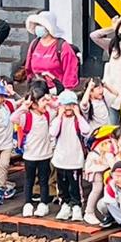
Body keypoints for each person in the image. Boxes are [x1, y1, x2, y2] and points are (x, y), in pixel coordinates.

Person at [12, 89, 55, 217]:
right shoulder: (27, 117)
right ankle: (28, 203)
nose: (45, 104)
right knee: (29, 180)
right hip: (30, 155)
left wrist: (49, 101)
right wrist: (24, 107)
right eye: (42, 101)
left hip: (45, 154)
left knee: (44, 180)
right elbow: (13, 118)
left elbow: (57, 107)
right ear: (34, 104)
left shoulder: (47, 115)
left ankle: (43, 204)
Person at [50, 90, 91, 221]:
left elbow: (86, 131)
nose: (68, 108)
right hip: (60, 159)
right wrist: (59, 116)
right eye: (65, 105)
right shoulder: (58, 120)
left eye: (71, 105)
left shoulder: (78, 120)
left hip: (75, 160)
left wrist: (78, 114)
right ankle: (65, 204)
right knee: (62, 185)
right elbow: (52, 132)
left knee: (75, 185)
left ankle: (76, 205)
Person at [23, 11, 79, 92]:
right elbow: (28, 69)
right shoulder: (34, 44)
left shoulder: (63, 47)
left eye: (41, 25)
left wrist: (65, 92)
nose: (38, 27)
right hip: (38, 90)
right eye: (37, 24)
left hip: (56, 91)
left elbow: (70, 73)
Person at [82, 124, 119, 225]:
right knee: (97, 189)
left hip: (101, 168)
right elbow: (113, 164)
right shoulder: (107, 146)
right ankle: (89, 212)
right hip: (96, 169)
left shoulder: (104, 143)